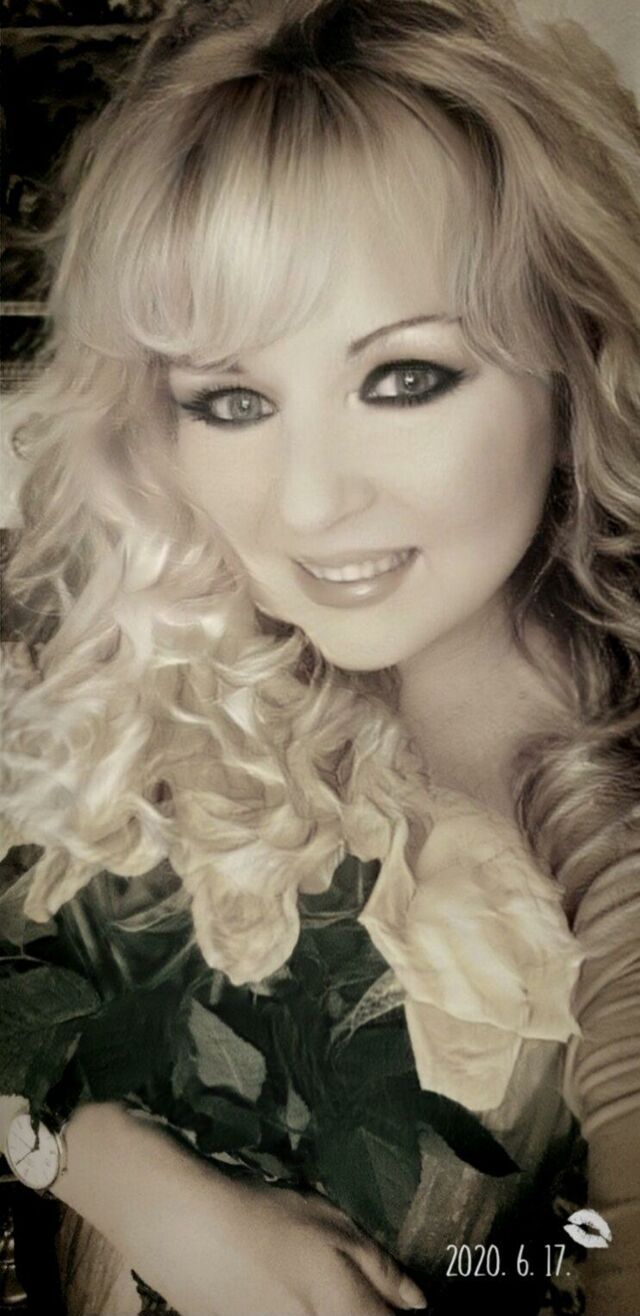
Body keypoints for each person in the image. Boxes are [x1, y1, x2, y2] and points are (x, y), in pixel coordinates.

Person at [0, 0, 638, 1312]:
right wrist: (126, 1180)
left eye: (403, 379)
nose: (305, 505)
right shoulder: (137, 644)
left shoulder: (612, 819)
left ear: (579, 356)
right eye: (231, 400)